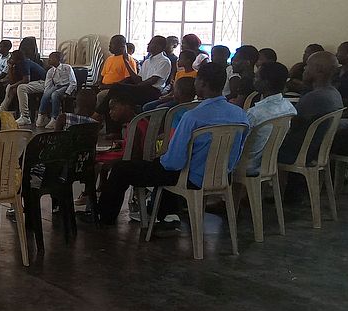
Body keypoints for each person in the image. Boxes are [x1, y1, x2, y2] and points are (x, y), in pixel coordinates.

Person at [95, 62, 249, 226]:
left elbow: (173, 162)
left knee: (122, 169)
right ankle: (166, 216)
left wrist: (160, 157)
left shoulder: (193, 116)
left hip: (190, 177)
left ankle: (103, 219)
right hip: (222, 176)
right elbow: (237, 151)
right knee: (165, 167)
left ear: (202, 83)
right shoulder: (240, 115)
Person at [277, 51, 344, 202]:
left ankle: (246, 197)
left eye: (308, 66)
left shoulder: (315, 98)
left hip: (301, 153)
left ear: (319, 70)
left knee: (259, 146)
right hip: (316, 151)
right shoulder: (333, 93)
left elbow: (292, 126)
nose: (304, 69)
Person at [243, 62, 296, 176]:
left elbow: (240, 141)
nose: (254, 79)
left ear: (265, 83)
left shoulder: (255, 114)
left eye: (257, 77)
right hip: (269, 161)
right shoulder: (289, 107)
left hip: (247, 164)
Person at [34, 51, 77, 128]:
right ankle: (41, 115)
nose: (49, 60)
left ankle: (54, 118)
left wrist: (67, 93)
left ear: (58, 59)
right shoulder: (50, 71)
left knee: (55, 95)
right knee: (46, 93)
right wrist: (47, 93)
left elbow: (73, 82)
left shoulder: (67, 67)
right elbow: (48, 84)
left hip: (67, 86)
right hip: (57, 86)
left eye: (51, 58)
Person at [1, 51, 46, 120]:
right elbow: (12, 81)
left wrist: (13, 86)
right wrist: (10, 68)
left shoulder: (24, 63)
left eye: (12, 57)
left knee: (21, 88)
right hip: (32, 83)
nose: (10, 58)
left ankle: (25, 116)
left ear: (17, 58)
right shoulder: (16, 65)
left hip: (42, 83)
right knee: (10, 86)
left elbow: (26, 80)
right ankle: (2, 111)